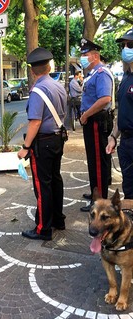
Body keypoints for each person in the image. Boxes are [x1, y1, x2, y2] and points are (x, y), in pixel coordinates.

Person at [17, 47, 67, 241]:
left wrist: (25, 147)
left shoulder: (38, 90)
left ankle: (43, 229)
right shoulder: (58, 86)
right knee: (55, 180)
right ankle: (58, 220)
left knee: (42, 185)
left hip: (43, 143)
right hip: (57, 139)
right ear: (48, 67)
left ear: (32, 70)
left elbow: (35, 122)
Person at [79, 39, 114, 211]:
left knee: (98, 161)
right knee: (93, 160)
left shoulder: (101, 73)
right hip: (92, 121)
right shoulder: (92, 73)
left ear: (95, 56)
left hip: (96, 121)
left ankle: (99, 200)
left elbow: (105, 99)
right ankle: (95, 191)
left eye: (85, 55)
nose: (82, 58)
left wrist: (86, 114)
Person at [106, 28, 133, 199]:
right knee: (129, 188)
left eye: (129, 45)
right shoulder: (126, 77)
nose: (125, 48)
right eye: (123, 45)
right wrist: (113, 136)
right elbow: (122, 111)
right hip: (126, 143)